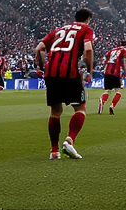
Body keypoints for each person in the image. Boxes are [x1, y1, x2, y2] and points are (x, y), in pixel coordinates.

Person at [35, 9, 97, 160]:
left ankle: (54, 151)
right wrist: (90, 70)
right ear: (88, 19)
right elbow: (88, 49)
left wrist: (42, 67)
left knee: (55, 112)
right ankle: (69, 140)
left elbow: (39, 49)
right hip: (69, 72)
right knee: (80, 108)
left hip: (51, 73)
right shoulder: (86, 29)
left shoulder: (58, 30)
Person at [99, 40, 126, 115]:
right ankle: (112, 105)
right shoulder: (124, 50)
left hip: (107, 71)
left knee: (108, 90)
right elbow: (124, 60)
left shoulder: (111, 50)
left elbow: (105, 59)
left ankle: (102, 101)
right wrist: (125, 70)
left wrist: (102, 67)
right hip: (115, 72)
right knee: (118, 90)